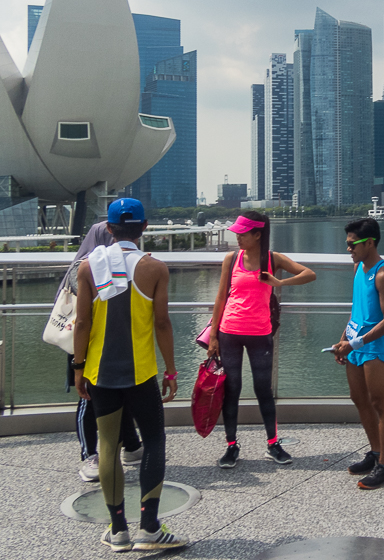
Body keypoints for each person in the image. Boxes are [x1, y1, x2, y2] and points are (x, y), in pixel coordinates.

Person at [72, 198, 186, 551]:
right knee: (153, 440)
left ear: (108, 228)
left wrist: (78, 368)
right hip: (141, 374)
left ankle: (118, 530)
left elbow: (82, 323)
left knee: (108, 445)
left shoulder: (89, 266)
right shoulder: (155, 269)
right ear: (145, 227)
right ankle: (150, 529)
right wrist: (170, 368)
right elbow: (162, 323)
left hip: (100, 373)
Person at [207, 211, 316, 468]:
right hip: (229, 332)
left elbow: (309, 274)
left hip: (260, 333)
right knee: (231, 389)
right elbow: (221, 297)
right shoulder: (231, 259)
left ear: (258, 235)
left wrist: (279, 282)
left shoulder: (272, 259)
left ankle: (273, 444)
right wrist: (213, 336)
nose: (237, 237)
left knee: (262, 389)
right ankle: (231, 446)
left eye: (242, 234)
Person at [57, 221, 142, 482]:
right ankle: (89, 454)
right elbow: (82, 319)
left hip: (112, 341)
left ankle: (131, 446)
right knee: (88, 398)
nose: (114, 239)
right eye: (109, 234)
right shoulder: (87, 265)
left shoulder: (130, 263)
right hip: (87, 342)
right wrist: (78, 364)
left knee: (119, 392)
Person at [333, 217, 384, 490]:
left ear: (369, 242)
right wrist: (343, 339)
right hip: (354, 343)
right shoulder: (359, 268)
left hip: (374, 345)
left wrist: (356, 342)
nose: (349, 249)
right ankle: (373, 453)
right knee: (359, 398)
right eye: (347, 244)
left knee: (379, 402)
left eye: (352, 244)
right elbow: (356, 309)